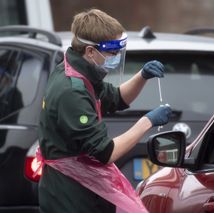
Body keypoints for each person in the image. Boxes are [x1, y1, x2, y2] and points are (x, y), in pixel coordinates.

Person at [38, 8, 172, 213]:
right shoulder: (72, 92)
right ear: (90, 51)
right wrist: (148, 121)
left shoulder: (80, 70)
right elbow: (106, 152)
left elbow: (115, 98)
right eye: (112, 53)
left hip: (82, 190)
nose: (116, 58)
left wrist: (142, 76)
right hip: (71, 197)